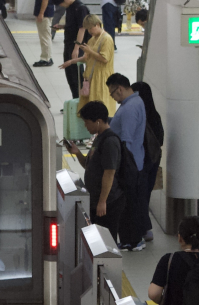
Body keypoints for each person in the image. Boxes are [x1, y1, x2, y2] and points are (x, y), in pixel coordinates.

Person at [66, 100, 125, 241]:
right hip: (96, 199)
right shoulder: (99, 138)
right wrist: (77, 153)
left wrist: (102, 201)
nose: (86, 126)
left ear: (98, 121)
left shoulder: (110, 141)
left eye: (87, 122)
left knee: (106, 241)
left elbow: (109, 173)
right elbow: (90, 166)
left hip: (108, 202)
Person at [107, 72, 147, 250]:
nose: (113, 98)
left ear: (120, 89)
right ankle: (131, 239)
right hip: (134, 161)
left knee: (129, 206)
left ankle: (133, 240)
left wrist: (122, 167)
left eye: (112, 93)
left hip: (129, 164)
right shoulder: (135, 102)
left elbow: (127, 140)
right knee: (131, 203)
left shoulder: (130, 108)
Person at [60, 14, 115, 114]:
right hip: (91, 77)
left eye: (91, 28)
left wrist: (89, 51)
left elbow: (104, 59)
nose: (89, 32)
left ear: (97, 24)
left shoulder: (106, 39)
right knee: (91, 108)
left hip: (102, 77)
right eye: (87, 29)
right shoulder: (92, 39)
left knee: (101, 105)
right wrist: (72, 61)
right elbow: (87, 58)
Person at [132, 80, 164, 242]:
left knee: (139, 194)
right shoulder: (155, 115)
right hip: (154, 160)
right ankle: (144, 228)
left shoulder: (139, 115)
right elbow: (161, 140)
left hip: (141, 162)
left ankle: (144, 229)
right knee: (145, 194)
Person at [51, 0, 89, 99]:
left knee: (77, 75)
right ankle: (75, 99)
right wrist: (62, 26)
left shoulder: (81, 8)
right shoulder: (70, 7)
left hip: (77, 46)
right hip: (68, 43)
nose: (61, 6)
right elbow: (74, 25)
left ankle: (82, 101)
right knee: (70, 75)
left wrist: (77, 48)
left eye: (61, 3)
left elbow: (82, 28)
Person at [33, 0, 55, 67]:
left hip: (45, 13)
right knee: (46, 35)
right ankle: (47, 57)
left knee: (44, 36)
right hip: (47, 12)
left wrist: (41, 13)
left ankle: (45, 59)